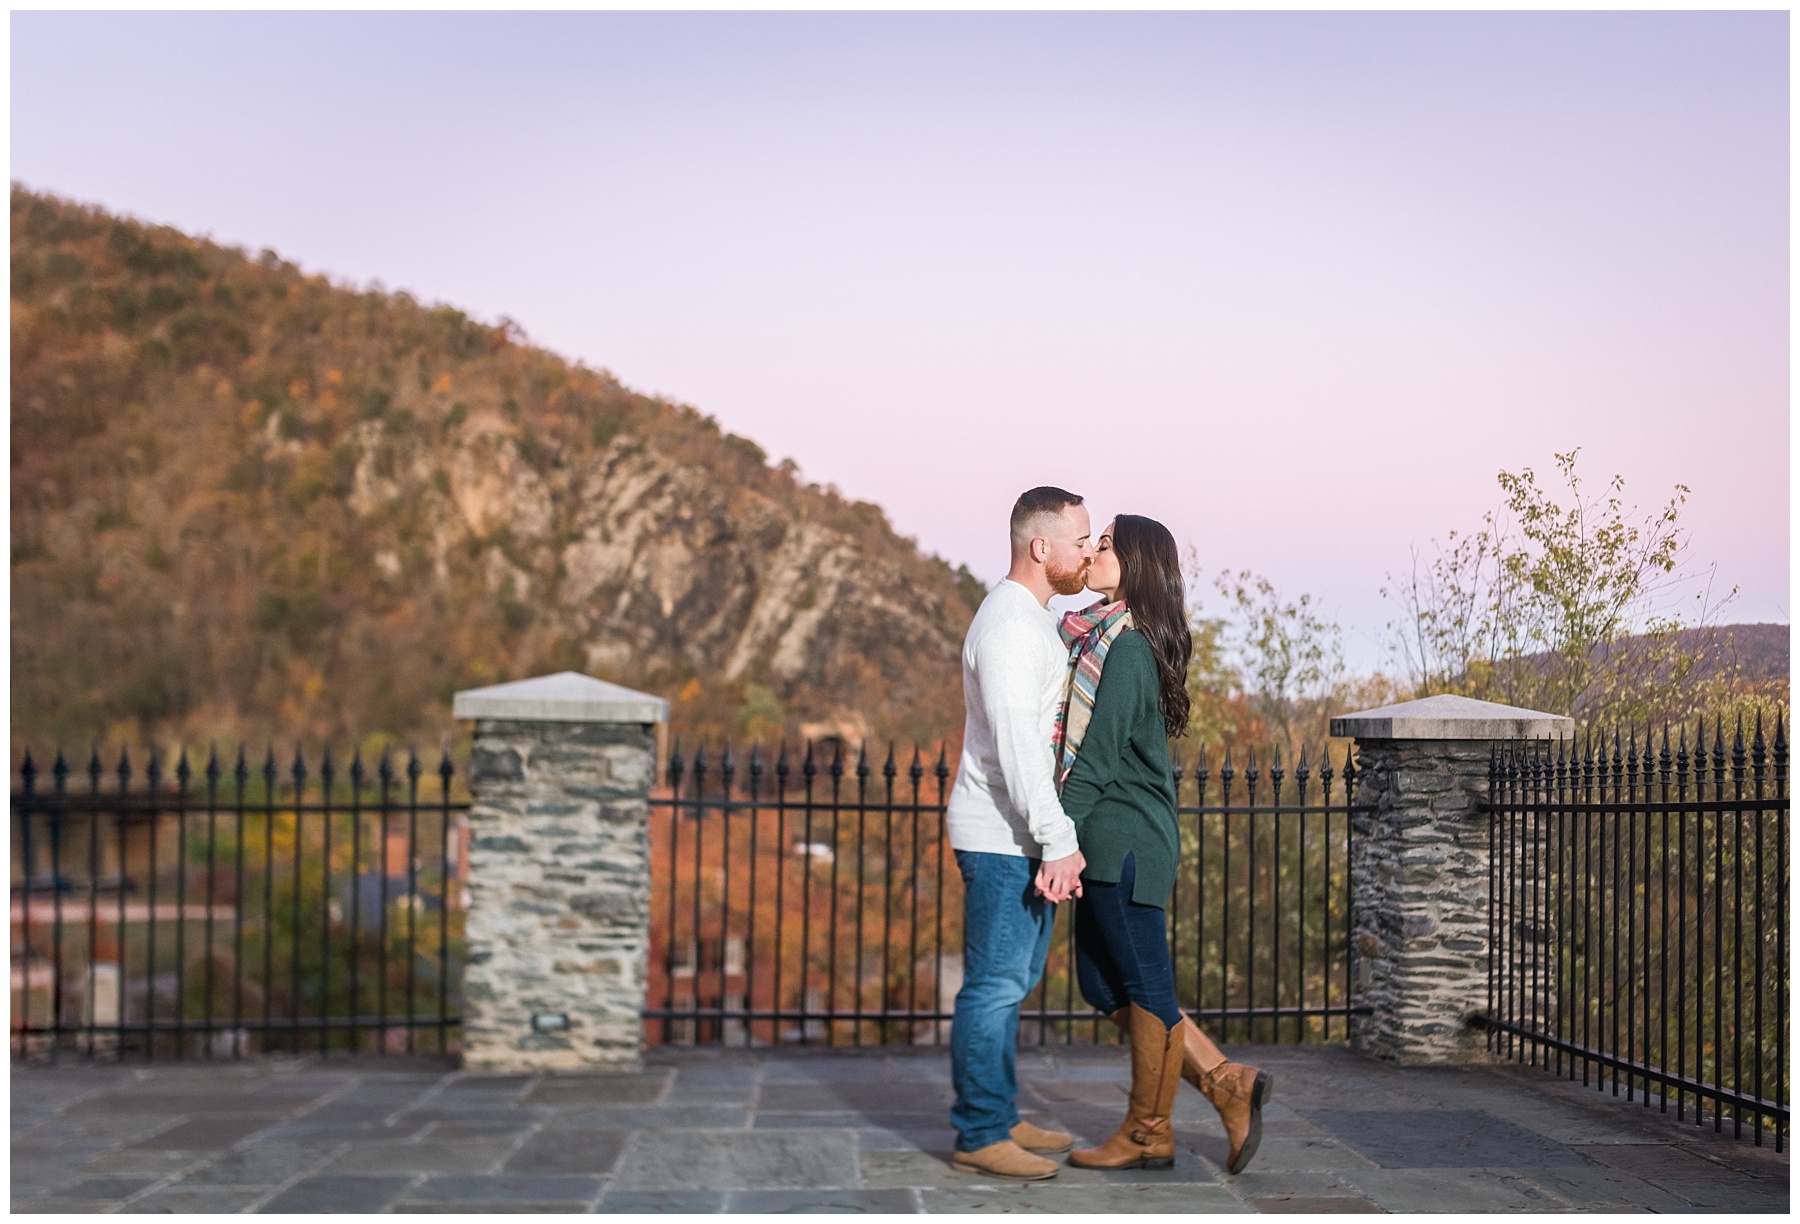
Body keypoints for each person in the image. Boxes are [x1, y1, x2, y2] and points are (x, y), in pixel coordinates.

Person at [1053, 514, 1271, 1175]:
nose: (1094, 550)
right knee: (1101, 982)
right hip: (1108, 838)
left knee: (1147, 989)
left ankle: (1149, 1133)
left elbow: (1092, 761)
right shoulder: (1106, 637)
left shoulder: (1128, 648)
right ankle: (1224, 1082)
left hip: (1123, 843)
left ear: (1138, 564)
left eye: (1107, 544)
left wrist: (1052, 837)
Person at [944, 486, 1095, 1182]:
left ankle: (999, 1115)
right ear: (1041, 547)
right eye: (1080, 540)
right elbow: (1017, 747)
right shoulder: (1007, 626)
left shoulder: (1030, 620)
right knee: (993, 987)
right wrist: (1056, 839)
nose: (1087, 551)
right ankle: (979, 1132)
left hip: (1020, 837)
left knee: (1012, 981)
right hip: (1001, 837)